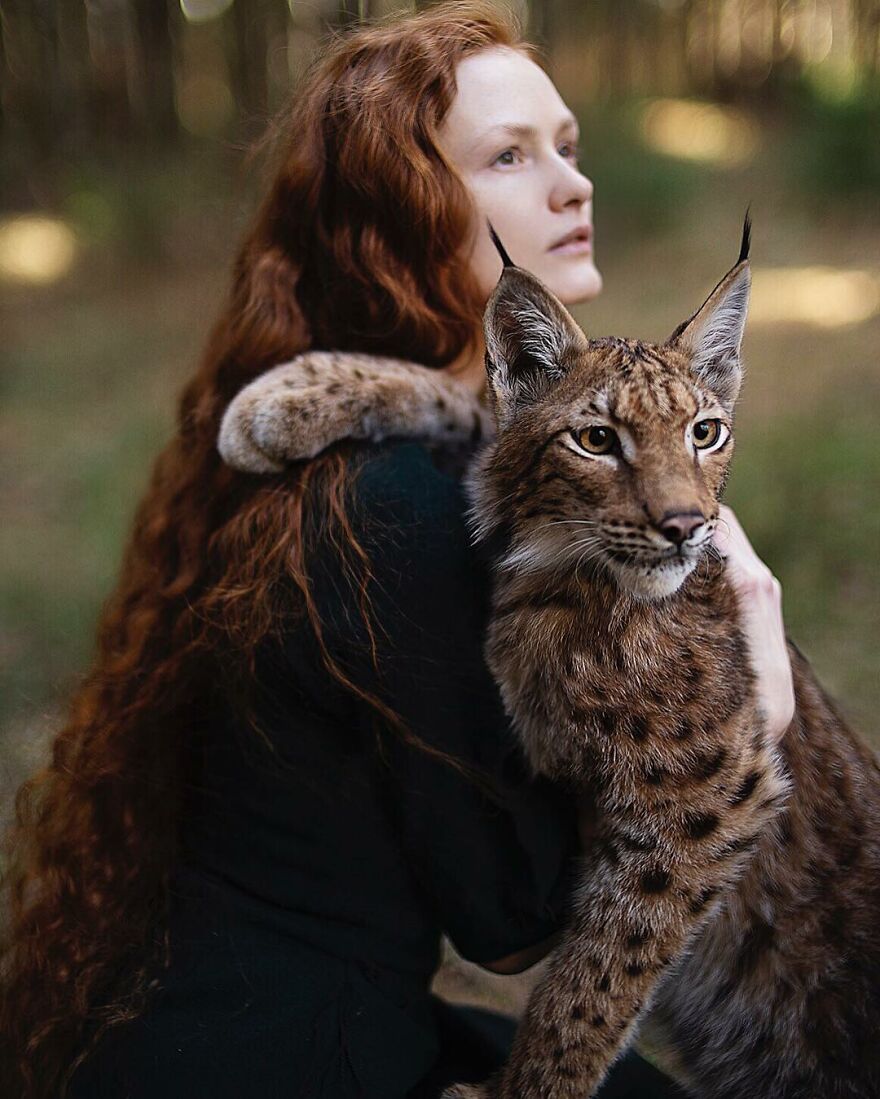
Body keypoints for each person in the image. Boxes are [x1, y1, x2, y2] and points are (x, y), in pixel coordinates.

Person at [0, 4, 794, 1098]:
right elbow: (513, 926)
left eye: (569, 145)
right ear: (404, 214)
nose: (573, 184)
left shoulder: (379, 448)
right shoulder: (390, 513)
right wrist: (759, 702)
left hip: (211, 1016)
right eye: (510, 156)